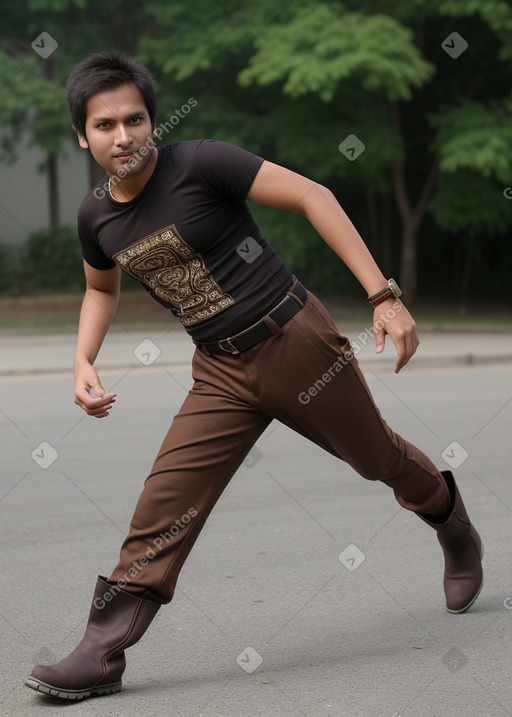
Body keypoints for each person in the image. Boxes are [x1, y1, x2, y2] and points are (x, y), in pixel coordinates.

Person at [25, 51, 483, 701]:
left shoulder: (201, 163)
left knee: (375, 456)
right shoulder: (96, 216)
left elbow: (311, 195)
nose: (122, 136)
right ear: (82, 134)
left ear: (153, 120)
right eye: (105, 125)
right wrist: (82, 358)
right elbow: (101, 289)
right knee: (167, 496)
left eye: (134, 119)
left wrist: (383, 295)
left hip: (294, 341)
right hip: (218, 369)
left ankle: (452, 523)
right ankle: (102, 650)